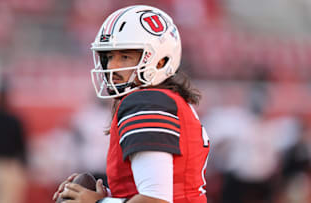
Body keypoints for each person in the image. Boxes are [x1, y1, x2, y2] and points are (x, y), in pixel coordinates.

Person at [53, 5, 210, 203]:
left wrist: (97, 202)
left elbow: (156, 200)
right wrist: (108, 196)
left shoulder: (145, 102)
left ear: (160, 61)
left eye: (124, 57)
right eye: (109, 57)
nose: (112, 67)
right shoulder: (167, 100)